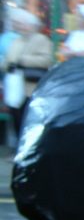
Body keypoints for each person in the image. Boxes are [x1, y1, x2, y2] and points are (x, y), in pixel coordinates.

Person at [2, 7, 54, 137]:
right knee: (16, 117)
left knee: (27, 119)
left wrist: (22, 61)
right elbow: (9, 59)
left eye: (21, 24)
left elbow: (46, 60)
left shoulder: (41, 40)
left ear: (31, 25)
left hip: (29, 86)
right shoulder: (17, 40)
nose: (18, 26)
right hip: (15, 86)